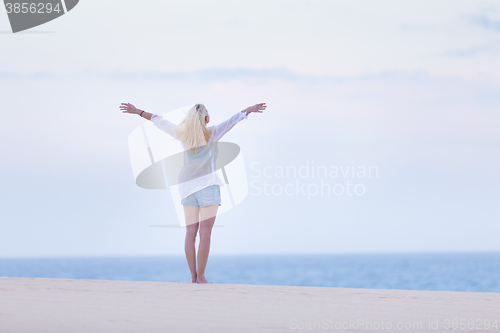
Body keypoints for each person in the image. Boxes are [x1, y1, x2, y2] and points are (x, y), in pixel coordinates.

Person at [121, 102, 266, 283]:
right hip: (208, 187)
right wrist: (247, 111)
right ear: (206, 118)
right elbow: (232, 121)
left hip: (187, 189)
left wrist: (138, 112)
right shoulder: (212, 133)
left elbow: (159, 121)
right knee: (205, 234)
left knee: (190, 234)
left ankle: (193, 276)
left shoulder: (182, 135)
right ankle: (201, 277)